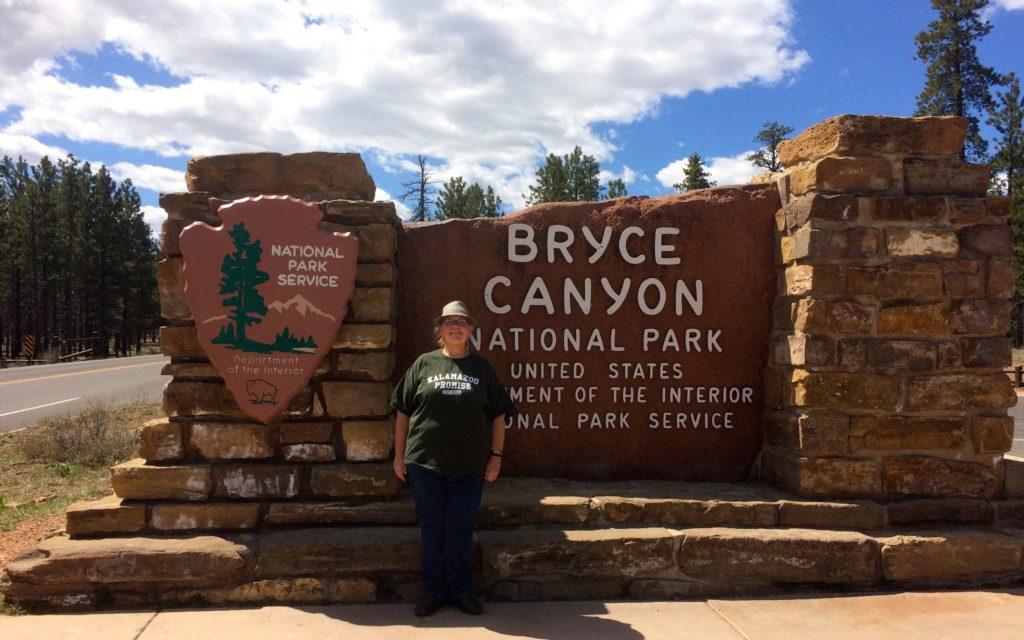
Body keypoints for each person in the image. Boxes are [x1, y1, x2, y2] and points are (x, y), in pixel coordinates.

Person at [390, 300, 516, 617]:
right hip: (424, 464)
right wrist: (399, 455)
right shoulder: (423, 364)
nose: (455, 327)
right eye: (449, 322)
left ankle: (462, 591)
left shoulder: (482, 369)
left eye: (461, 321)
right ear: (441, 330)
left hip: (469, 466)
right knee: (432, 528)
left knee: (459, 528)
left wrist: (496, 457)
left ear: (470, 329)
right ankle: (432, 591)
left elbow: (500, 414)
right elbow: (403, 411)